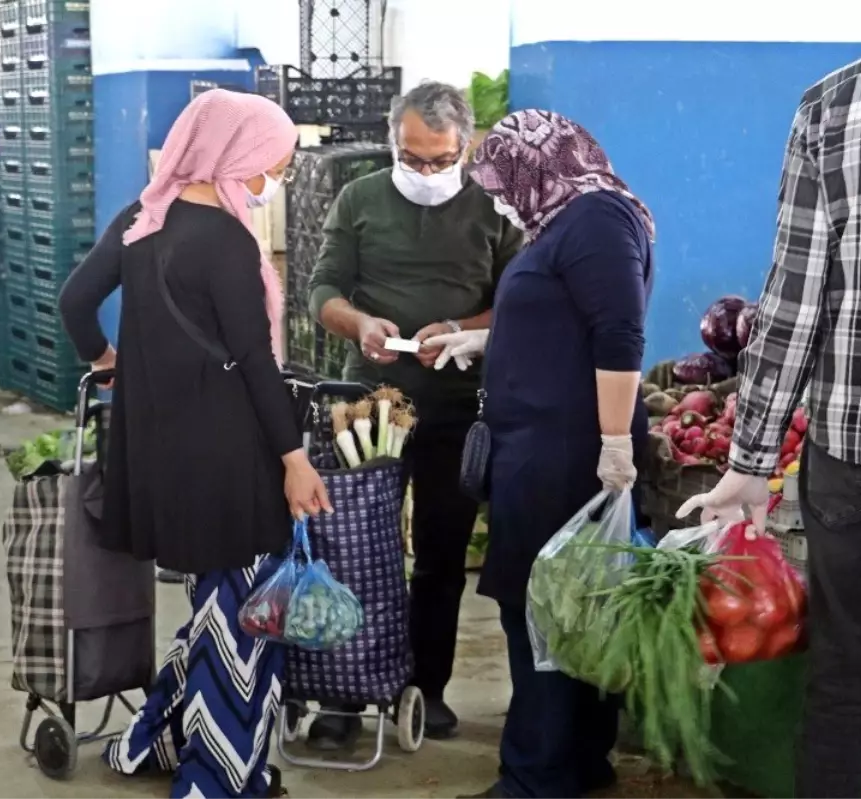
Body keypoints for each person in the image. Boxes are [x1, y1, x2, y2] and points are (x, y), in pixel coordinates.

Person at [677, 5, 861, 797]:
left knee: (842, 676)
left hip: (852, 448)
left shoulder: (832, 101)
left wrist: (750, 459)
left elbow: (793, 300)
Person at [57, 88, 331, 798]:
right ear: (238, 150)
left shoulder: (144, 218)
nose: (278, 172)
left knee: (218, 605)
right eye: (276, 158)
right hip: (228, 458)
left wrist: (105, 358)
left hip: (156, 454)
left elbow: (75, 301)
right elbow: (255, 360)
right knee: (242, 616)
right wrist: (294, 458)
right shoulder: (226, 241)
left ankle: (158, 737)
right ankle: (218, 776)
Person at [425, 110, 655, 799]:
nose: (497, 197)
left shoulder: (597, 218)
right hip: (541, 447)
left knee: (545, 607)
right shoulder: (560, 224)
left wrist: (615, 445)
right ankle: (579, 758)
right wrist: (483, 345)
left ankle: (536, 775)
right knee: (569, 604)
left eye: (502, 180)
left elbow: (619, 333)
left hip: (569, 455)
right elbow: (561, 326)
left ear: (539, 164)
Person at [307, 79, 523, 747]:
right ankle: (343, 692)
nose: (424, 172)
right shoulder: (360, 198)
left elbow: (516, 301)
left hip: (457, 406)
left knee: (440, 552)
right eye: (411, 156)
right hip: (368, 404)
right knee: (353, 548)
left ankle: (426, 687)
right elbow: (322, 288)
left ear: (466, 147)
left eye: (439, 160)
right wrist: (360, 322)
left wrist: (460, 328)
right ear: (392, 141)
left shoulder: (494, 208)